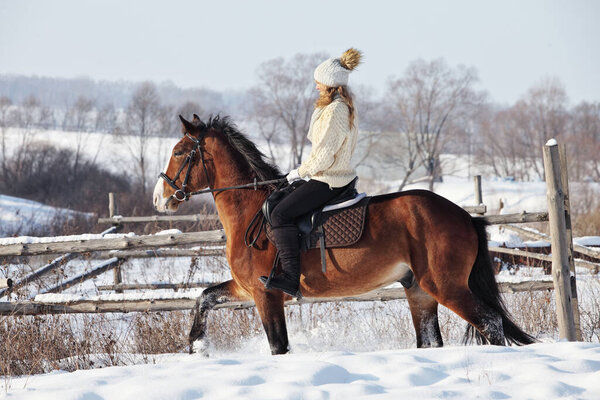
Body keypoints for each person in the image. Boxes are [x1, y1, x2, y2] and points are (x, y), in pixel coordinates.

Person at [262, 48, 362, 297]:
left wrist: (299, 171)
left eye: (319, 82)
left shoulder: (337, 110)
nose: (316, 85)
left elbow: (325, 154)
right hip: (327, 176)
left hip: (329, 179)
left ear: (330, 84)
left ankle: (290, 277)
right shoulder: (335, 106)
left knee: (280, 214)